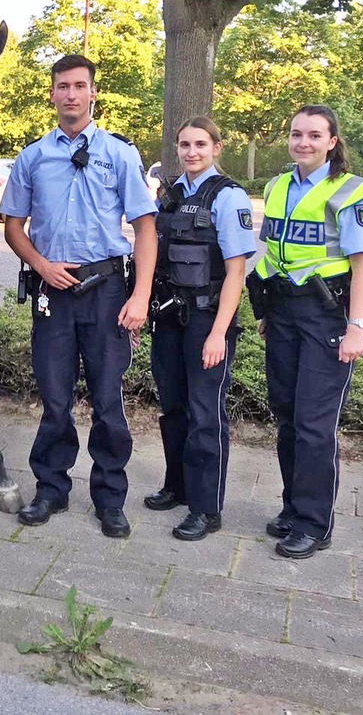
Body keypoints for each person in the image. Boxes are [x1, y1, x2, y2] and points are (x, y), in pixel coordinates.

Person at [0, 54, 158, 538]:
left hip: (107, 291)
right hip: (53, 291)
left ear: (93, 93)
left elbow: (145, 228)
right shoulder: (32, 158)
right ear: (51, 94)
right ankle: (50, 489)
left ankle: (110, 498)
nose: (70, 94)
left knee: (108, 400)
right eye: (62, 86)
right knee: (53, 397)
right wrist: (40, 263)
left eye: (79, 86)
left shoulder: (119, 154)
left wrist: (141, 297)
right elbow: (12, 226)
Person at [250, 104, 363, 559]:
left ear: (331, 142)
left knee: (313, 425)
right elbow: (275, 255)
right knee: (286, 415)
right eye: (296, 133)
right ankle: (292, 508)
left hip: (327, 316)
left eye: (314, 135)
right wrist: (266, 309)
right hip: (283, 312)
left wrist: (356, 329)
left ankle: (314, 522)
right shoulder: (277, 185)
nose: (303, 142)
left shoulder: (349, 191)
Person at [145, 117, 256, 541]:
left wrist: (218, 334)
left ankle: (206, 509)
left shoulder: (228, 197)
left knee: (205, 415)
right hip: (170, 316)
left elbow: (235, 272)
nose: (192, 152)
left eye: (200, 145)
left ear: (216, 147)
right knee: (173, 407)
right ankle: (178, 486)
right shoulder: (171, 196)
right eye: (184, 145)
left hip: (209, 319)